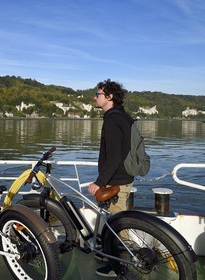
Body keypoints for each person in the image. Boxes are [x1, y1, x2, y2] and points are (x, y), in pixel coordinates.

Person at [87, 79, 134, 278]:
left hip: (117, 180)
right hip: (123, 176)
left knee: (118, 223)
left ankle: (119, 267)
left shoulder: (112, 119)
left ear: (109, 97)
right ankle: (110, 254)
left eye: (98, 94)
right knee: (115, 220)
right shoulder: (123, 116)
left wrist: (99, 182)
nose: (95, 97)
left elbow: (114, 155)